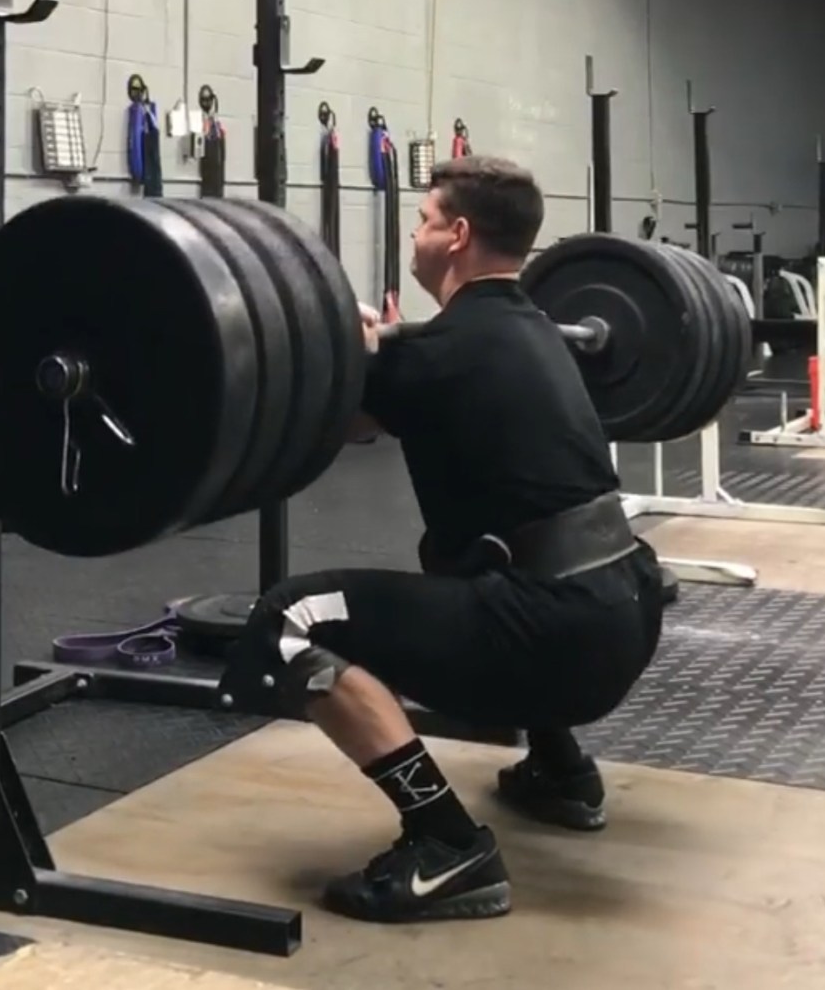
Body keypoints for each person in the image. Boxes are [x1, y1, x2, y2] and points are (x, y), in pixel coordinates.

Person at [218, 155, 665, 924]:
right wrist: (375, 352)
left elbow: (334, 421)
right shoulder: (533, 328)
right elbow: (389, 402)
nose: (415, 236)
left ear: (457, 235)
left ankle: (447, 842)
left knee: (291, 621)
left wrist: (346, 351)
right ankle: (560, 769)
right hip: (628, 606)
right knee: (466, 553)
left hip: (560, 638)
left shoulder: (439, 351)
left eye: (423, 221)